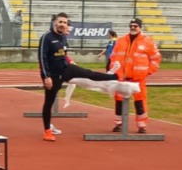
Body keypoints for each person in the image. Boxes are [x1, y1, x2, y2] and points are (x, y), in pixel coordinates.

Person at [36, 13, 130, 142]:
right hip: (52, 75)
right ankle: (47, 130)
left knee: (88, 73)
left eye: (65, 22)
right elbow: (42, 58)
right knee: (49, 102)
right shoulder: (46, 37)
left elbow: (63, 54)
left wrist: (70, 62)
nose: (63, 24)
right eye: (60, 22)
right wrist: (46, 77)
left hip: (65, 69)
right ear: (55, 23)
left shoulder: (63, 37)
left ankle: (113, 76)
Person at [108, 17, 161, 133]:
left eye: (135, 26)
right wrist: (114, 71)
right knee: (119, 100)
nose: (133, 28)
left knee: (140, 101)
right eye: (131, 26)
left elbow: (156, 59)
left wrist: (148, 71)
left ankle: (141, 125)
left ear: (140, 27)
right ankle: (118, 123)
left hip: (138, 78)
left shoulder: (148, 41)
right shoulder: (121, 40)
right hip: (122, 78)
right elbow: (113, 57)